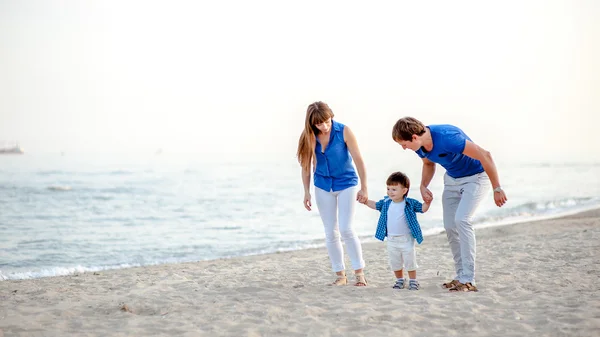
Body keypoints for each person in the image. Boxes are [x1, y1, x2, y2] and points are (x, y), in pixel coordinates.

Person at [392, 117, 507, 292]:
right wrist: (423, 186)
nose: (403, 148)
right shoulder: (420, 146)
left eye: (404, 144)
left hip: (476, 178)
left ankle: (468, 279)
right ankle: (461, 276)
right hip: (452, 180)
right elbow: (428, 163)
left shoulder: (448, 137)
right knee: (450, 225)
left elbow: (485, 155)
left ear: (414, 137)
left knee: (462, 220)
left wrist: (496, 188)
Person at [297, 101, 368, 286]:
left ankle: (359, 273)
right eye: (319, 123)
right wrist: (306, 192)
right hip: (322, 185)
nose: (325, 126)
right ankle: (340, 275)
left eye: (327, 121)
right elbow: (305, 167)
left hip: (347, 184)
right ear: (312, 123)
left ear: (331, 117)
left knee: (346, 228)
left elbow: (359, 160)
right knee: (330, 232)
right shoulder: (308, 136)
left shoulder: (344, 131)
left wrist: (364, 187)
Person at [363, 171, 430, 290]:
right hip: (391, 239)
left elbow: (422, 209)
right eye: (388, 188)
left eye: (394, 189)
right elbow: (375, 205)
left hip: (406, 238)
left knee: (410, 260)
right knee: (395, 261)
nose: (389, 192)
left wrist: (428, 202)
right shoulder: (386, 203)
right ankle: (399, 280)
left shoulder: (409, 203)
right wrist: (365, 201)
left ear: (404, 191)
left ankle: (413, 280)